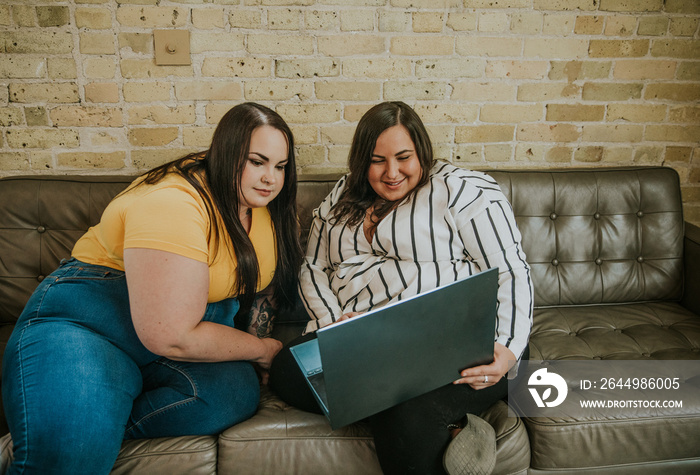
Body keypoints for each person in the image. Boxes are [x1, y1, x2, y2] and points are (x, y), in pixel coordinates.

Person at [2, 102, 303, 474]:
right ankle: (77, 425)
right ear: (225, 153)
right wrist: (261, 349)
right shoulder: (172, 203)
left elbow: (261, 286)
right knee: (71, 457)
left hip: (175, 336)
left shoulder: (265, 205)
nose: (271, 178)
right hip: (91, 326)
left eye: (280, 166)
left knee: (232, 393)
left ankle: (101, 419)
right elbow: (172, 334)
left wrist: (257, 351)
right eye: (257, 161)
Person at [269, 101, 533, 474]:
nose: (391, 172)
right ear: (362, 161)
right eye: (377, 160)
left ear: (421, 152)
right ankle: (455, 429)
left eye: (404, 157)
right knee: (287, 370)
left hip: (459, 342)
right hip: (368, 344)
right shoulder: (342, 198)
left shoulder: (462, 191)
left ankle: (426, 415)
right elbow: (313, 267)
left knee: (407, 411)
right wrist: (334, 323)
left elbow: (512, 271)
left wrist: (506, 350)